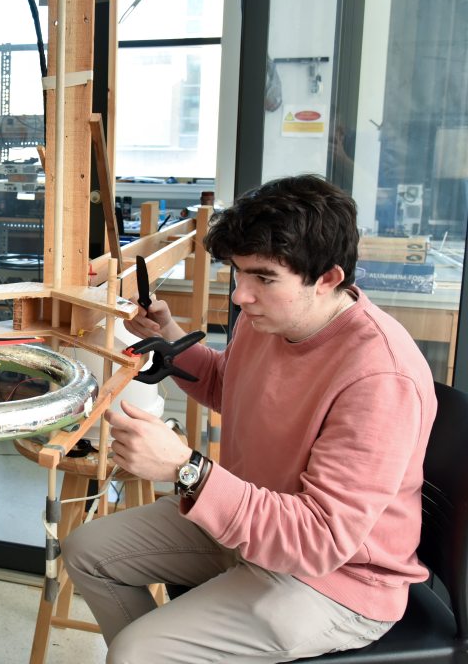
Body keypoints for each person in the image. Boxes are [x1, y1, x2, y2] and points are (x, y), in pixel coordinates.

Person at [62, 174, 436, 663]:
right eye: (238, 273)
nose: (241, 295)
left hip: (333, 577)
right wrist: (170, 337)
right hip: (254, 523)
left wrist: (186, 470)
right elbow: (228, 385)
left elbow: (319, 540)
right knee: (87, 550)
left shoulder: (379, 376)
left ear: (328, 278)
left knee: (137, 652)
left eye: (263, 277)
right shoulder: (273, 319)